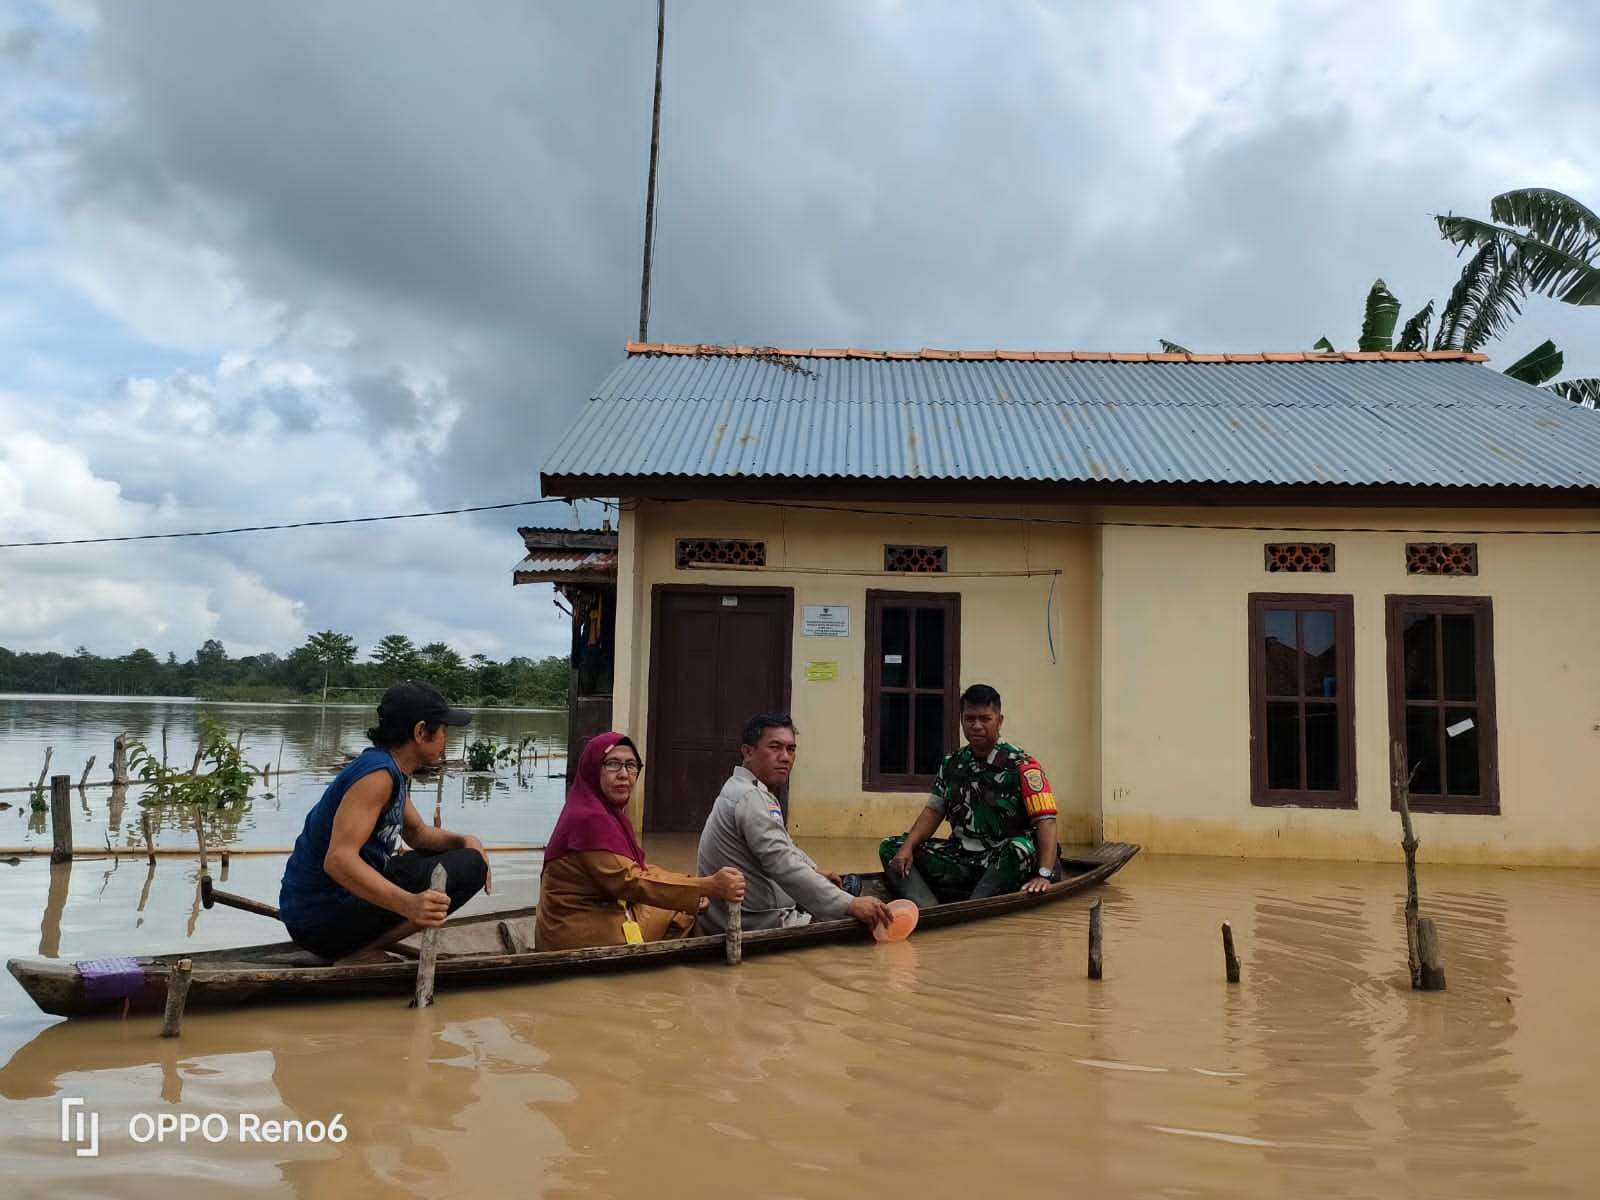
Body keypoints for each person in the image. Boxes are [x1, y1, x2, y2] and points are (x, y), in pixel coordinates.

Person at [278, 680, 491, 964]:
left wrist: (466, 841)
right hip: (320, 917)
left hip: (328, 906)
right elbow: (338, 860)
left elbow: (418, 834)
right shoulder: (377, 775)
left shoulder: (392, 770)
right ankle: (359, 953)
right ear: (420, 732)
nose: (445, 740)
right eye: (442, 730)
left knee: (461, 857)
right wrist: (409, 904)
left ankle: (361, 946)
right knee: (471, 868)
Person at [534, 732, 746, 951]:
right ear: (592, 769)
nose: (624, 775)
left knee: (683, 901)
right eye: (613, 764)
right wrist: (707, 886)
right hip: (579, 932)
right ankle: (674, 977)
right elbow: (630, 881)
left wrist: (691, 884)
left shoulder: (603, 812)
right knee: (683, 911)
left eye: (631, 765)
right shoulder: (589, 818)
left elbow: (634, 868)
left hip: (583, 918)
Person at [697, 713, 892, 934]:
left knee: (848, 888)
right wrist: (849, 904)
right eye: (775, 747)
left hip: (743, 914)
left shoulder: (747, 789)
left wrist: (814, 870)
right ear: (748, 752)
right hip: (755, 922)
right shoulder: (749, 797)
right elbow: (782, 862)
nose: (785, 757)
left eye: (791, 749)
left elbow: (784, 845)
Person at [880, 683, 1059, 906]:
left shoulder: (1023, 766)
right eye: (969, 718)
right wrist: (907, 848)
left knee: (1021, 847)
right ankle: (928, 908)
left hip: (1002, 860)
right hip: (961, 857)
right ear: (961, 720)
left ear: (999, 721)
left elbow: (1047, 822)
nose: (976, 726)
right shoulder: (952, 763)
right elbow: (933, 811)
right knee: (891, 847)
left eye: (985, 719)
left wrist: (1044, 874)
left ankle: (973, 906)